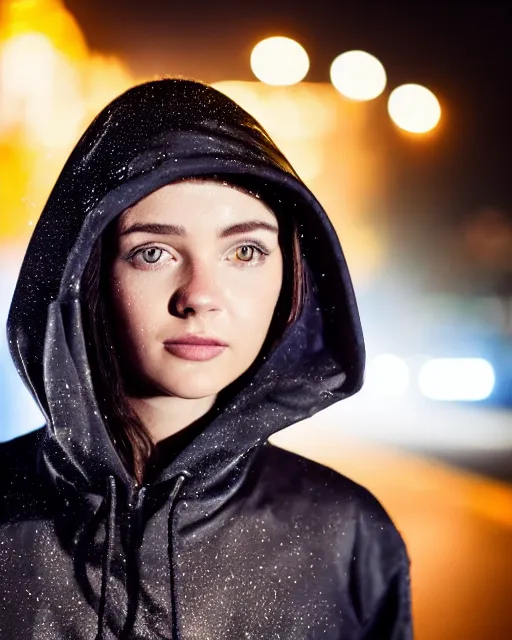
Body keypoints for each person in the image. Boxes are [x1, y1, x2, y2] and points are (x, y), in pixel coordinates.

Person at [1, 78, 413, 639]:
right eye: (154, 252)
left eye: (245, 251)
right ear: (85, 273)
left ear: (291, 272)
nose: (200, 295)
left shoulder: (350, 536)